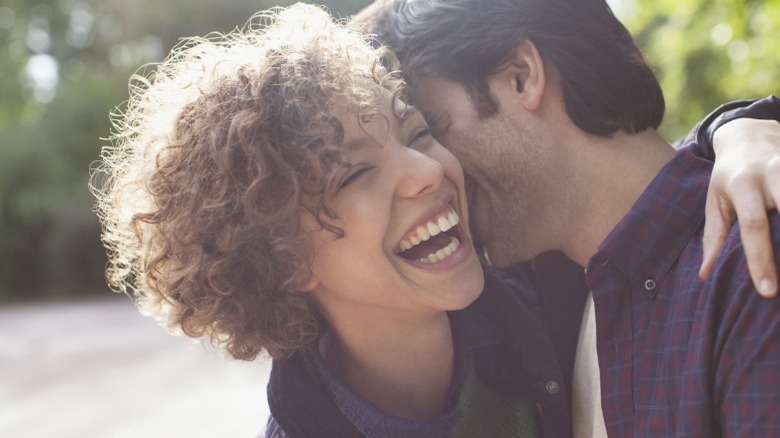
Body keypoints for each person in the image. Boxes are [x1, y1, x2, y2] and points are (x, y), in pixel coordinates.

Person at [90, 3, 779, 438]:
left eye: (423, 131)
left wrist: (744, 127)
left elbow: (645, 190)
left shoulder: (550, 289)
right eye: (354, 174)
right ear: (281, 258)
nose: (428, 169)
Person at [356, 0, 780, 436]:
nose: (433, 171)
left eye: (429, 130)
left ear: (522, 76)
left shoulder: (753, 259)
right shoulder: (546, 300)